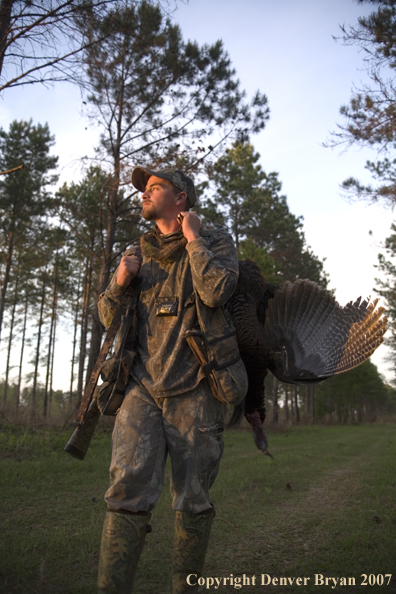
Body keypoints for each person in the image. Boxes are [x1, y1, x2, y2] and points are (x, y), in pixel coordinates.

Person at [96, 167, 241, 594]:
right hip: (141, 389)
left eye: (153, 187)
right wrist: (120, 282)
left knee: (193, 499)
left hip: (197, 387)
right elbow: (107, 318)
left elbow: (217, 292)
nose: (144, 192)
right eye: (143, 188)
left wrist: (194, 238)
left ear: (181, 199)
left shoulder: (214, 241)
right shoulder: (136, 252)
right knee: (124, 493)